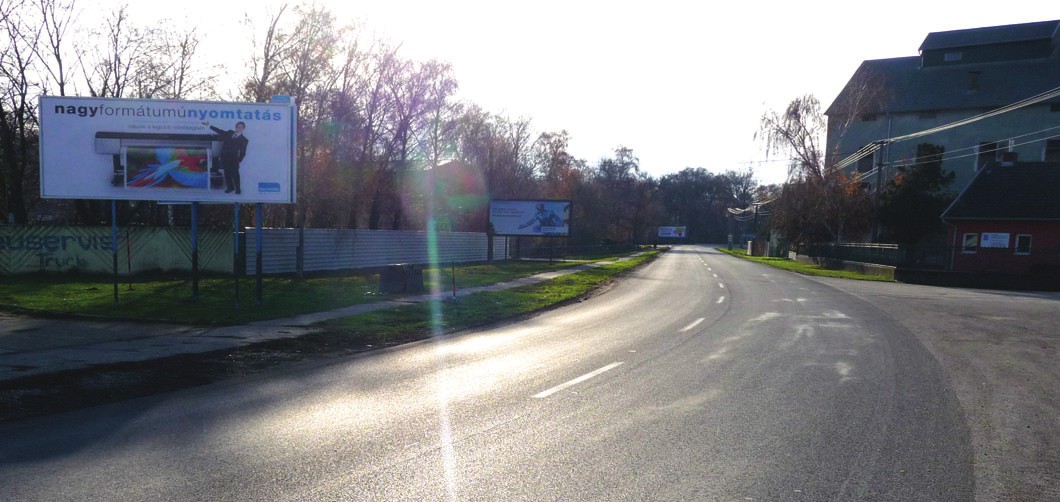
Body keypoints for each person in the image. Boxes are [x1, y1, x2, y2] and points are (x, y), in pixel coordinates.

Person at [203, 120, 249, 194]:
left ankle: (238, 189)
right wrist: (209, 126)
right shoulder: (230, 132)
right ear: (235, 127)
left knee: (235, 174)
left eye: (240, 127)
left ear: (243, 128)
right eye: (237, 127)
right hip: (224, 157)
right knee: (227, 173)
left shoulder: (244, 140)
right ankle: (230, 188)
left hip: (234, 159)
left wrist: (239, 160)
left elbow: (243, 152)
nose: (238, 129)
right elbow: (220, 131)